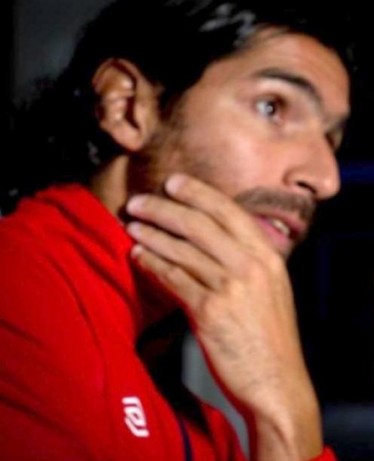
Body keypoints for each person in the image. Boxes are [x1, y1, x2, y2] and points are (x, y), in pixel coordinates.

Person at [0, 0, 353, 459]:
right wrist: (283, 416)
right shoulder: (15, 290)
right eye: (272, 107)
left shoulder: (201, 427)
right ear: (128, 107)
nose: (326, 179)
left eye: (331, 140)